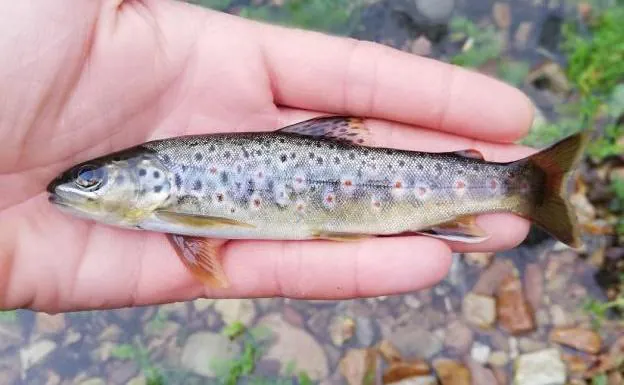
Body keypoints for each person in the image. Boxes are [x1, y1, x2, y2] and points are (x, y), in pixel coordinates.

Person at [0, 0, 535, 314]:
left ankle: (520, 186)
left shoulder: (175, 210)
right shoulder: (169, 207)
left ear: (149, 183)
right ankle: (512, 187)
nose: (72, 193)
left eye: (92, 183)